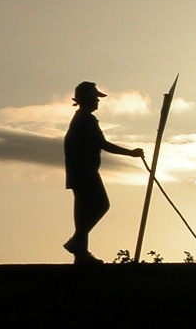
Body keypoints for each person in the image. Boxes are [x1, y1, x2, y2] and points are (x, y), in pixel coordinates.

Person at [64, 81, 144, 264]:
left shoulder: (80, 119)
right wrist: (131, 153)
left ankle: (81, 256)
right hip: (85, 172)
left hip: (78, 173)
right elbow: (103, 144)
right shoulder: (86, 120)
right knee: (101, 204)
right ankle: (77, 242)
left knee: (83, 213)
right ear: (88, 99)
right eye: (96, 98)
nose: (98, 102)